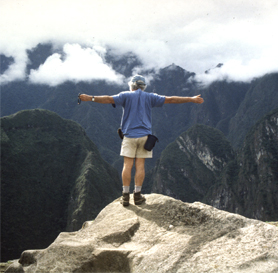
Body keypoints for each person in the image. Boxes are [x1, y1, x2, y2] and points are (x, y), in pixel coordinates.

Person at [79, 75, 204, 206]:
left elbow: (108, 99)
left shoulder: (125, 96)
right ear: (143, 86)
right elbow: (171, 99)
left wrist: (90, 98)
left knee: (127, 165)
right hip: (145, 137)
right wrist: (191, 99)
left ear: (131, 85)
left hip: (129, 136)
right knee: (140, 166)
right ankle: (137, 195)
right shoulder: (150, 97)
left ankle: (125, 196)